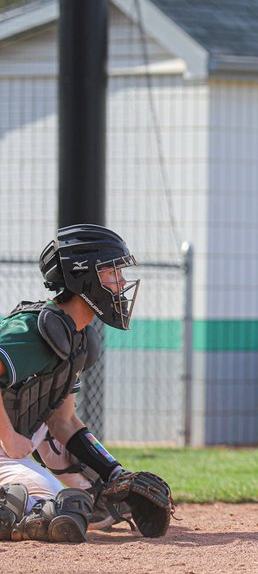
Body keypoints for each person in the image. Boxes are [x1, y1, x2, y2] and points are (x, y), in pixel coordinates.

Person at [0, 225, 163, 542]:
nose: (122, 282)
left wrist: (114, 474)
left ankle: (60, 502)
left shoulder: (76, 338)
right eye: (111, 271)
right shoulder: (31, 331)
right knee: (48, 499)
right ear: (82, 276)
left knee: (87, 495)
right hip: (5, 441)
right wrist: (8, 435)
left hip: (12, 442)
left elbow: (63, 421)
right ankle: (27, 507)